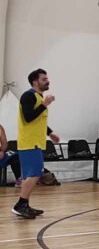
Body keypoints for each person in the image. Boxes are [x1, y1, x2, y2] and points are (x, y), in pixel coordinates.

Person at [12, 69, 60, 219]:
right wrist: (45, 104)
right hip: (29, 142)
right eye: (44, 79)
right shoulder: (29, 96)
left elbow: (38, 121)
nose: (47, 81)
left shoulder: (38, 97)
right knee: (34, 174)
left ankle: (24, 204)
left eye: (47, 78)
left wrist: (50, 133)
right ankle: (21, 205)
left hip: (35, 143)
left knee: (33, 174)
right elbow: (28, 117)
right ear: (35, 82)